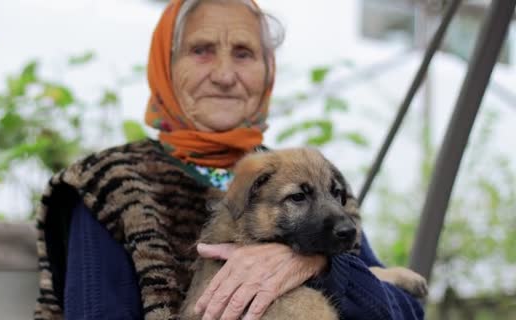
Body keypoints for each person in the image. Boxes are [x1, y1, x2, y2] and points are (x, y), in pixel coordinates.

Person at [34, 1, 425, 319]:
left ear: (267, 71)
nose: (224, 74)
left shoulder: (313, 179)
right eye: (201, 51)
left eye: (244, 53)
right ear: (166, 67)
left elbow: (406, 310)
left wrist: (318, 265)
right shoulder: (112, 185)